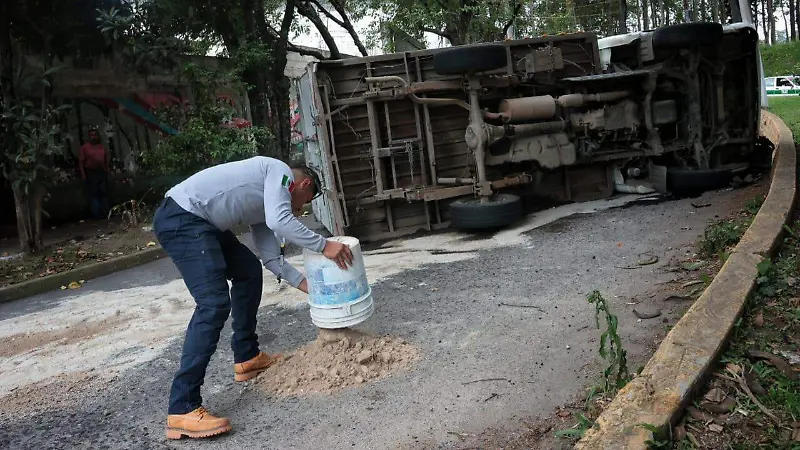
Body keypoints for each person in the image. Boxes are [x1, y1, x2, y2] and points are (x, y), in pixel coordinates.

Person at [153, 156, 353, 440]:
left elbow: (271, 257)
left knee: (249, 270)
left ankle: (247, 358)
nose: (300, 210)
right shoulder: (280, 173)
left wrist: (307, 284)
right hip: (183, 217)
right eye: (304, 201)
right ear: (303, 184)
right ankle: (182, 408)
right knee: (213, 303)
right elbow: (280, 220)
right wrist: (325, 245)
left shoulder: (265, 201)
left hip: (201, 223)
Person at [78, 129, 110, 219]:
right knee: (93, 193)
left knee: (103, 192)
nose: (93, 137)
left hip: (101, 172)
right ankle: (97, 214)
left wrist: (107, 169)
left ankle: (106, 212)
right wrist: (83, 174)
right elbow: (81, 162)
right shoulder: (84, 148)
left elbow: (105, 159)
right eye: (91, 135)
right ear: (88, 137)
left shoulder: (101, 147)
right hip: (91, 172)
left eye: (95, 135)